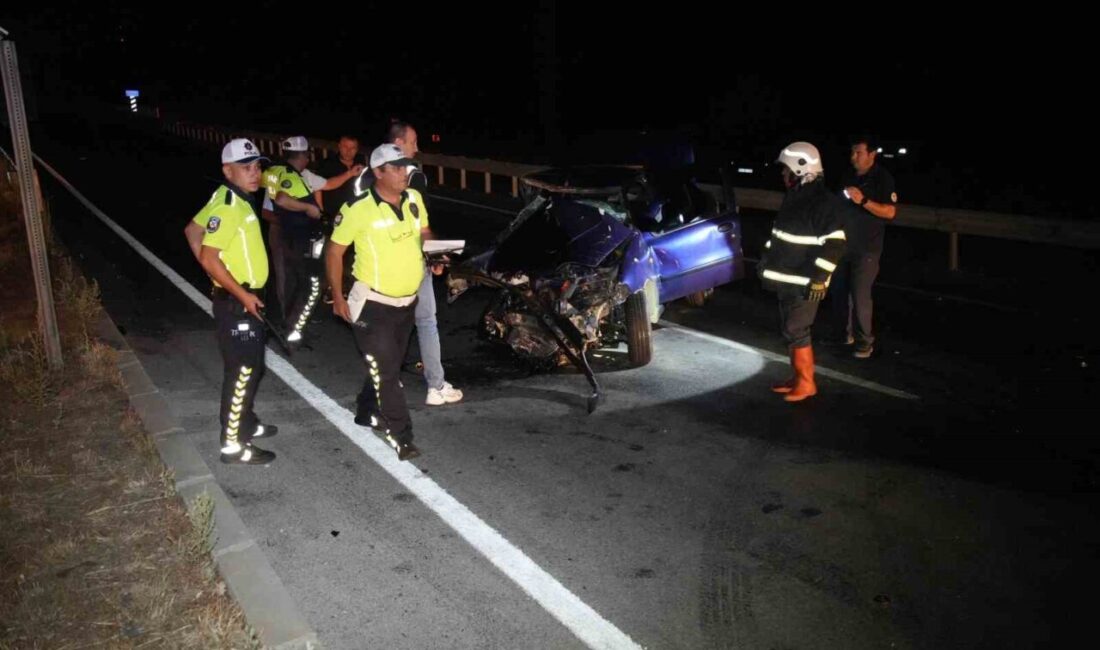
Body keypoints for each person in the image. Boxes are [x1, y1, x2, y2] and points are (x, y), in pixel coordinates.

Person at [326, 144, 428, 460]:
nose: (404, 173)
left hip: (407, 303)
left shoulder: (414, 199)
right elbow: (334, 252)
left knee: (390, 364)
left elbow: (424, 232)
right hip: (372, 305)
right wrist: (337, 296)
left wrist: (435, 254)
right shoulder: (357, 208)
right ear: (378, 172)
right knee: (388, 373)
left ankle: (366, 408)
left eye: (405, 166)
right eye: (396, 168)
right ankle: (401, 435)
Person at [187, 138, 279, 464]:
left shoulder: (231, 197)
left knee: (252, 368)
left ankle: (246, 423)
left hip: (241, 298)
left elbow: (192, 231)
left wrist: (216, 274)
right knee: (243, 372)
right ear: (228, 171)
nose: (255, 173)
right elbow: (210, 256)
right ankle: (233, 444)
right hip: (239, 303)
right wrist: (236, 290)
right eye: (246, 167)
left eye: (257, 166)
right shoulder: (229, 206)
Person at [759, 142, 847, 402]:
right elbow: (780, 237)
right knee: (790, 330)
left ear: (801, 170)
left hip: (805, 282)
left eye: (786, 170)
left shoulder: (823, 203)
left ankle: (807, 383)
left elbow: (835, 244)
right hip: (787, 280)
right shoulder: (795, 198)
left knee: (797, 329)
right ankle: (797, 377)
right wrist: (766, 261)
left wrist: (819, 279)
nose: (783, 174)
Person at [387, 120, 463, 405]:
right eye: (413, 142)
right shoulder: (413, 177)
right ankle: (436, 385)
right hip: (413, 263)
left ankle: (388, 379)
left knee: (392, 323)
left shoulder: (370, 175)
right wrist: (433, 256)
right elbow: (422, 227)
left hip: (382, 266)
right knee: (426, 321)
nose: (417, 147)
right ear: (398, 144)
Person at [831, 134, 898, 358]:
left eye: (858, 152)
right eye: (852, 152)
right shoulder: (847, 176)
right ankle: (843, 336)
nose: (853, 157)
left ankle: (864, 343)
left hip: (867, 249)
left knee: (860, 295)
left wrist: (864, 201)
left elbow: (890, 212)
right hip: (843, 245)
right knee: (839, 292)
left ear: (872, 154)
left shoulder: (882, 178)